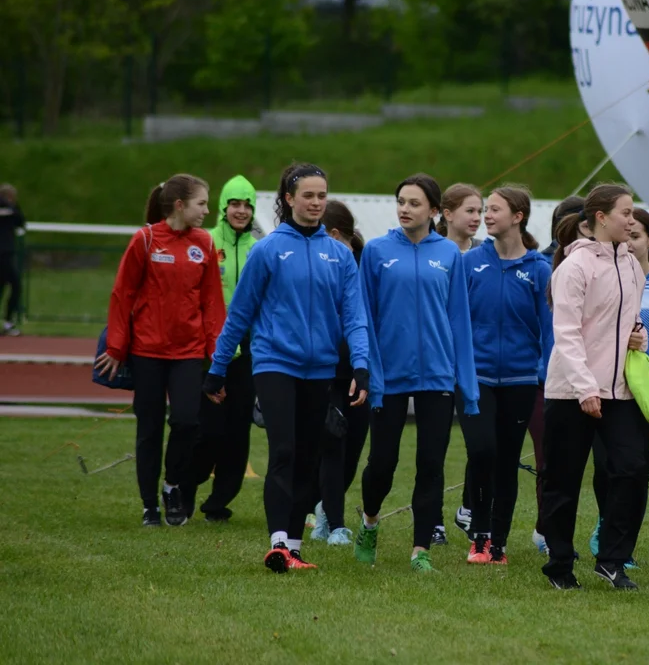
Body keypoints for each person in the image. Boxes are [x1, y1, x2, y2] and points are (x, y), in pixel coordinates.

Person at [203, 163, 370, 573]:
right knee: (283, 450)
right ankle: (277, 542)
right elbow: (239, 315)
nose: (315, 202)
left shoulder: (340, 256)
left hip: (321, 369)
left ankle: (293, 547)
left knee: (309, 457)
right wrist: (218, 367)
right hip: (275, 363)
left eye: (321, 195)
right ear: (288, 200)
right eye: (307, 195)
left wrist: (361, 366)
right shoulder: (268, 250)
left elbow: (355, 316)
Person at [354, 173, 479, 574]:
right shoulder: (375, 252)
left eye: (413, 203)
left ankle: (420, 548)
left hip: (438, 377)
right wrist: (369, 370)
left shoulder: (448, 255)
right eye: (401, 202)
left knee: (431, 464)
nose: (405, 209)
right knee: (383, 464)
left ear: (434, 211)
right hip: (389, 375)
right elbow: (364, 317)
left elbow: (459, 320)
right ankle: (370, 520)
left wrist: (468, 385)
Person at [95, 175, 226, 527]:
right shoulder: (145, 239)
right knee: (149, 429)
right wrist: (117, 346)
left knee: (187, 421)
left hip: (188, 352)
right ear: (180, 205)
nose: (207, 210)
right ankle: (149, 505)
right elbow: (122, 294)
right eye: (201, 203)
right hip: (147, 352)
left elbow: (212, 302)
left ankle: (172, 487)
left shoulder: (205, 242)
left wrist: (218, 355)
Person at [540, 183, 649, 591]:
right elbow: (566, 333)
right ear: (601, 218)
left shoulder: (632, 265)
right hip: (572, 392)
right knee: (563, 481)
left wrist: (639, 337)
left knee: (632, 470)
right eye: (625, 212)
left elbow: (628, 323)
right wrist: (586, 388)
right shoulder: (574, 267)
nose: (631, 220)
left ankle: (612, 560)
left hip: (620, 392)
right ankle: (560, 566)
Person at [458, 185, 552, 564]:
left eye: (494, 209)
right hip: (475, 378)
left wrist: (544, 372)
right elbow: (457, 320)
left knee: (507, 459)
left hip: (520, 380)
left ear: (518, 217)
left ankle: (497, 543)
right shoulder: (469, 263)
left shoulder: (539, 270)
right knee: (482, 451)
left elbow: (549, 330)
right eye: (484, 209)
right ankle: (478, 534)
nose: (486, 216)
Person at [589, 208, 649, 566]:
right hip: (607, 386)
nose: (629, 241)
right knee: (604, 468)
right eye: (625, 234)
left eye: (637, 236)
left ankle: (621, 546)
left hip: (648, 395)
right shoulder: (606, 279)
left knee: (636, 471)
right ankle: (607, 523)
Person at [188, 174, 259, 522]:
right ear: (223, 206)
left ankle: (219, 502)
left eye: (247, 205)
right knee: (208, 430)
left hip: (248, 351)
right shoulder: (205, 241)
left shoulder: (260, 247)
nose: (241, 211)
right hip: (209, 347)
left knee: (237, 430)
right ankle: (186, 485)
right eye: (235, 204)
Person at [310, 199, 370, 546]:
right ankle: (335, 525)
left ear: (334, 234)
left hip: (361, 372)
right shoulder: (315, 267)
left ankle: (321, 507)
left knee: (352, 455)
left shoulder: (362, 265)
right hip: (324, 373)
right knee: (333, 444)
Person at [530, 195, 587, 555]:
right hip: (542, 377)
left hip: (584, 376)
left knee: (567, 462)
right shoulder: (541, 266)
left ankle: (550, 530)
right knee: (545, 460)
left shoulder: (599, 265)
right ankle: (545, 530)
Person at [433, 181, 484, 543]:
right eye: (470, 210)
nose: (477, 218)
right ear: (447, 214)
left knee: (481, 445)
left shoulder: (485, 255)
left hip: (473, 364)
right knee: (433, 449)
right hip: (435, 363)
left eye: (481, 211)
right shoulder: (432, 254)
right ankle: (432, 522)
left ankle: (468, 509)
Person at [0, 183, 26, 336]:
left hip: (6, 253)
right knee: (15, 285)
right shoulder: (9, 209)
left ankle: (8, 322)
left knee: (4, 286)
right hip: (3, 254)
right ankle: (8, 322)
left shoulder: (12, 211)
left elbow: (20, 221)